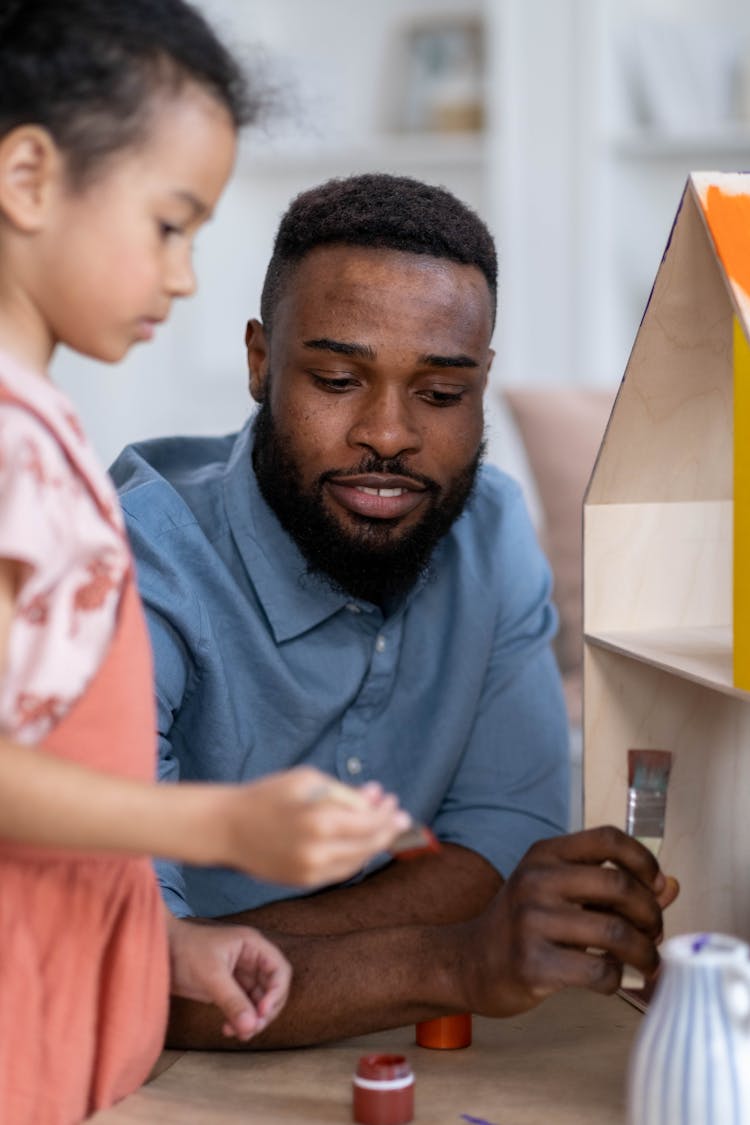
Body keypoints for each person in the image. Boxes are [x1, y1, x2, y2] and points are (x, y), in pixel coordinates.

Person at [111, 172, 678, 1052]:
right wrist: (451, 962)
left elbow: (499, 852)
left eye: (441, 393)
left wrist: (229, 954)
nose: (389, 432)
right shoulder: (131, 564)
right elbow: (127, 965)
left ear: (483, 381)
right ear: (260, 361)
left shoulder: (490, 530)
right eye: (339, 378)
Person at [0, 6, 411, 1122]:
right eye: (170, 225)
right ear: (30, 178)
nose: (185, 278)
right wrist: (222, 828)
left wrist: (160, 940)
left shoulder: (41, 435)